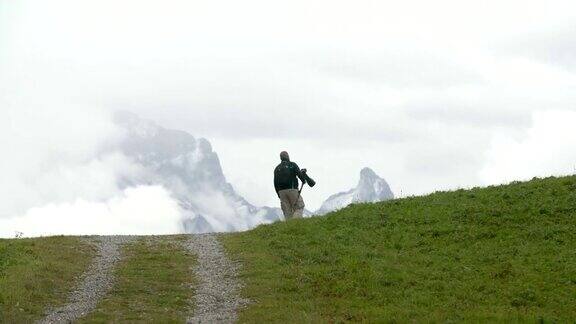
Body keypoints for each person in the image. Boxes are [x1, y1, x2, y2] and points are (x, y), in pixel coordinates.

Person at [274, 151, 306, 219]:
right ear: (287, 156)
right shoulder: (292, 164)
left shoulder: (277, 169)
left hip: (281, 192)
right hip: (292, 189)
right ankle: (295, 223)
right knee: (299, 207)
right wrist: (303, 180)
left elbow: (275, 182)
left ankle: (289, 226)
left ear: (281, 158)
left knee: (287, 211)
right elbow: (299, 175)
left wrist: (278, 194)